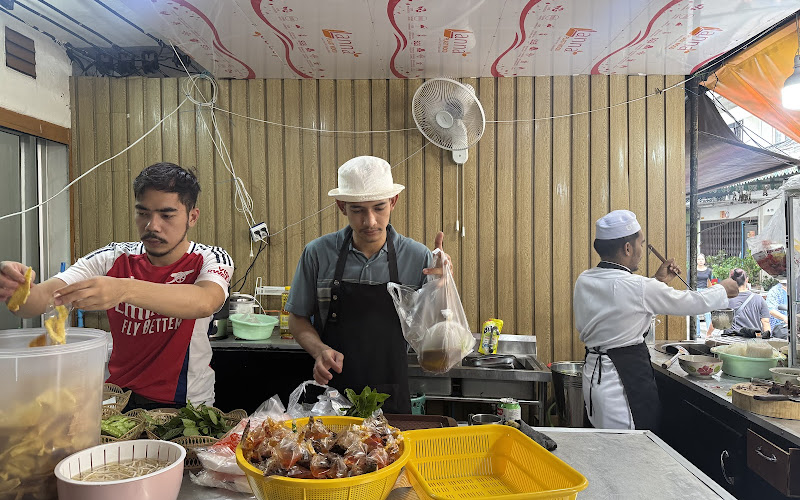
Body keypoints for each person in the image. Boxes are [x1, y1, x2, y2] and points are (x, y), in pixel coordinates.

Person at [0, 163, 233, 411]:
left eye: (166, 215)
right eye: (143, 213)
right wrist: (16, 289)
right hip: (117, 399)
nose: (152, 226)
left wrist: (123, 289)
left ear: (192, 217)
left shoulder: (211, 258)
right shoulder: (112, 258)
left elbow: (205, 300)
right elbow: (43, 299)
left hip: (186, 406)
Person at [286, 156, 445, 414]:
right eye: (358, 210)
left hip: (391, 398)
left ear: (393, 202)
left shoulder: (419, 258)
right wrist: (320, 351)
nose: (370, 221)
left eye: (379, 207)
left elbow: (436, 331)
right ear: (341, 206)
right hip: (332, 398)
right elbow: (297, 318)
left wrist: (443, 288)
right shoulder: (317, 254)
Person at [573, 210, 738, 431]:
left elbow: (623, 306)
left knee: (606, 444)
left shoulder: (585, 279)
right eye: (641, 243)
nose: (642, 250)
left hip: (596, 376)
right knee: (631, 447)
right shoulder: (638, 286)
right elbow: (691, 302)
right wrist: (722, 289)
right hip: (623, 379)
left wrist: (659, 281)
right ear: (628, 248)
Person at [707, 269, 771, 337]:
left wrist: (708, 334)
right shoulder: (759, 299)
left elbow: (716, 321)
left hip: (731, 340)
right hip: (753, 340)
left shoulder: (726, 299)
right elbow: (765, 322)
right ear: (746, 280)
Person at [695, 253, 714, 338]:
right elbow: (689, 281)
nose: (701, 261)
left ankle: (709, 333)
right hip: (696, 291)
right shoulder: (693, 270)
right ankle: (697, 333)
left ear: (704, 260)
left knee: (707, 313)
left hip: (706, 291)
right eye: (699, 259)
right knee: (697, 313)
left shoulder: (709, 271)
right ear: (696, 261)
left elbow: (712, 281)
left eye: (702, 259)